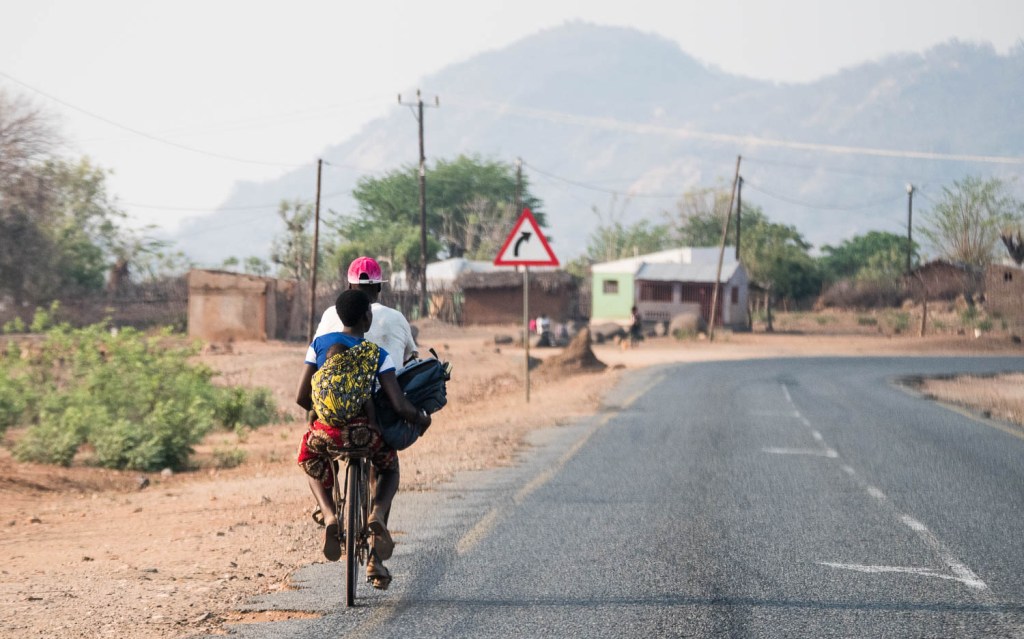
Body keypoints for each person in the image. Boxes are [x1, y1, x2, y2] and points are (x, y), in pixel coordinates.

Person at [295, 289, 430, 589]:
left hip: (328, 433)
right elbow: (398, 404)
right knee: (389, 468)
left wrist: (322, 414)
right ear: (367, 316)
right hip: (364, 434)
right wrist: (421, 419)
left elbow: (301, 396)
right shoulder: (376, 354)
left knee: (310, 459)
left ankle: (329, 515)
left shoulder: (318, 345)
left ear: (340, 317)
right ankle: (377, 512)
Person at [314, 256, 418, 366]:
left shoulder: (330, 314)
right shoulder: (397, 318)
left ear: (349, 286)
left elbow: (315, 354)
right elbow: (410, 360)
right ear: (379, 287)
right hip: (389, 381)